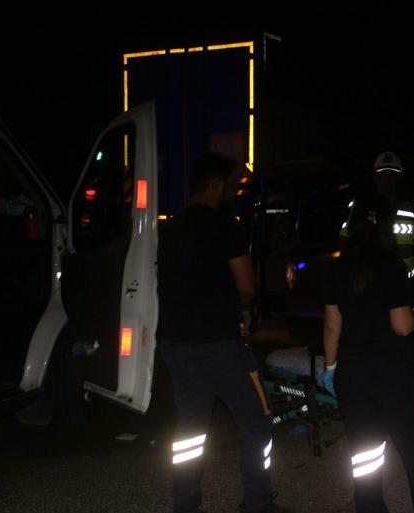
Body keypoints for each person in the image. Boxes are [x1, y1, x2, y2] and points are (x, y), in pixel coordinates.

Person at [157, 152, 291, 513]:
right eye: (231, 185)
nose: (234, 192)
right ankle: (257, 502)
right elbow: (246, 286)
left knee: (190, 429)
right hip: (219, 344)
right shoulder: (225, 225)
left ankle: (185, 503)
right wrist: (246, 308)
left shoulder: (170, 229)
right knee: (257, 418)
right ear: (215, 185)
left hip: (175, 344)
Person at [322, 192, 414, 513]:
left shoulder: (338, 268)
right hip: (393, 376)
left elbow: (332, 327)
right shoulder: (392, 267)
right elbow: (402, 326)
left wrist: (330, 369)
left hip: (352, 377)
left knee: (366, 460)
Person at [340, 151, 414, 351]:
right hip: (371, 281)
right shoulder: (361, 206)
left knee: (405, 335)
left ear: (399, 176)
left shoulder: (409, 205)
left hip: (404, 281)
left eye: (392, 173)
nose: (387, 178)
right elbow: (345, 240)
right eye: (383, 173)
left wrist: (410, 251)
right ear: (374, 175)